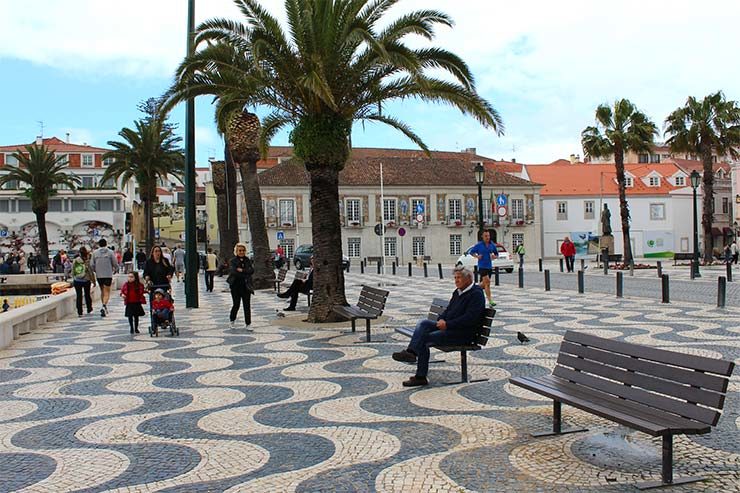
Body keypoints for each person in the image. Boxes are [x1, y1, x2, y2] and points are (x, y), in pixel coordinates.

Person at [392, 267, 486, 387]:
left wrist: (447, 324)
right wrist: (441, 318)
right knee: (423, 323)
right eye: (455, 278)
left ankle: (420, 376)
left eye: (459, 278)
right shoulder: (458, 292)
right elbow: (448, 310)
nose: (456, 281)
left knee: (425, 338)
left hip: (463, 334)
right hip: (449, 327)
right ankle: (411, 352)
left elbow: (470, 318)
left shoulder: (476, 294)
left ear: (468, 279)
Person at [468, 230, 498, 307]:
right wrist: (477, 256)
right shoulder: (479, 245)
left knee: (484, 284)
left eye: (488, 236)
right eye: (486, 236)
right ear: (482, 237)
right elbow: (471, 252)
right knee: (487, 282)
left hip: (489, 266)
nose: (487, 237)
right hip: (482, 266)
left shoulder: (492, 245)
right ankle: (490, 301)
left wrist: (494, 257)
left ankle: (473, 290)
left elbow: (496, 253)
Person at [227, 242, 254, 329]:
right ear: (236, 251)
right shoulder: (233, 261)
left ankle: (248, 323)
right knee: (236, 304)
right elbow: (234, 272)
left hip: (246, 286)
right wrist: (245, 272)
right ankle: (232, 320)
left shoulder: (247, 260)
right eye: (240, 250)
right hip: (235, 286)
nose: (241, 252)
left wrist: (242, 270)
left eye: (243, 250)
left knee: (247, 305)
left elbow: (251, 270)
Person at [91, 238, 118, 317]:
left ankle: (103, 305)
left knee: (102, 290)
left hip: (99, 275)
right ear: (106, 244)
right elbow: (115, 262)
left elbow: (92, 264)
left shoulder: (95, 253)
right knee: (107, 292)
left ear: (99, 244)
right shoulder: (110, 252)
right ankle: (104, 305)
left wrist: (95, 270)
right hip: (108, 274)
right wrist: (116, 269)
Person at [71, 247, 96, 317]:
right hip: (86, 280)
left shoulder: (75, 260)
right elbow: (91, 272)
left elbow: (72, 270)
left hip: (77, 280)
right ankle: (89, 308)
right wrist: (93, 281)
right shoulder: (87, 261)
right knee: (87, 294)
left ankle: (79, 311)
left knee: (79, 296)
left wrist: (74, 277)